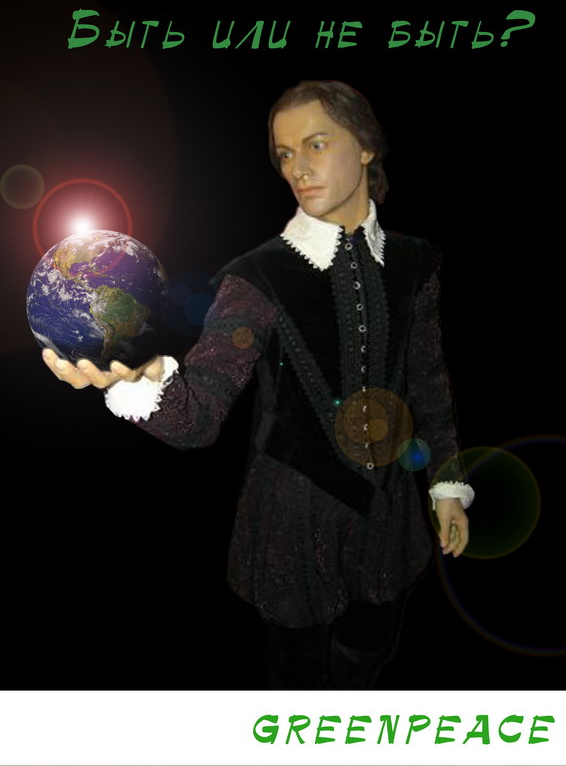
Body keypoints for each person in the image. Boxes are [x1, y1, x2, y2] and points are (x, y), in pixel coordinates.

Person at [42, 80, 473, 689]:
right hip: (292, 519)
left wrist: (446, 485)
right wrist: (143, 381)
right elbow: (200, 414)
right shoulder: (257, 277)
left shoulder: (416, 262)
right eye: (286, 154)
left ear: (366, 147)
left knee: (369, 651)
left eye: (316, 144)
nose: (297, 168)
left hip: (389, 512)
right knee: (297, 678)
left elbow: (427, 381)